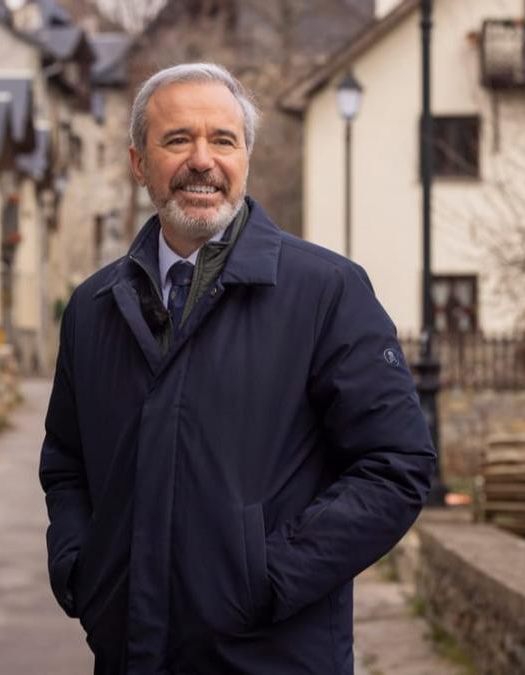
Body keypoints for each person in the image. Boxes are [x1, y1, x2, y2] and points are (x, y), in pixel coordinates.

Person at [39, 62, 436, 675]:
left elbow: (396, 468)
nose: (202, 160)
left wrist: (265, 578)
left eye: (222, 140)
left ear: (246, 158)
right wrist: (81, 568)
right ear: (138, 163)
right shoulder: (93, 310)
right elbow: (67, 465)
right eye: (178, 140)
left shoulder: (326, 292)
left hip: (274, 656)